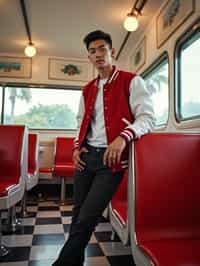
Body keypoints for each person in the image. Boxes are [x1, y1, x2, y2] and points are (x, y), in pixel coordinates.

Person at [52, 30, 155, 266]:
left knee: (88, 216)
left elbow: (148, 119)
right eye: (91, 51)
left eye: (101, 49)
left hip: (112, 161)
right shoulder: (87, 89)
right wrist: (77, 149)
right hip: (86, 158)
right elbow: (80, 122)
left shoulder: (132, 80)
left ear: (112, 52)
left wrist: (122, 138)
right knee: (78, 213)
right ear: (88, 57)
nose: (97, 54)